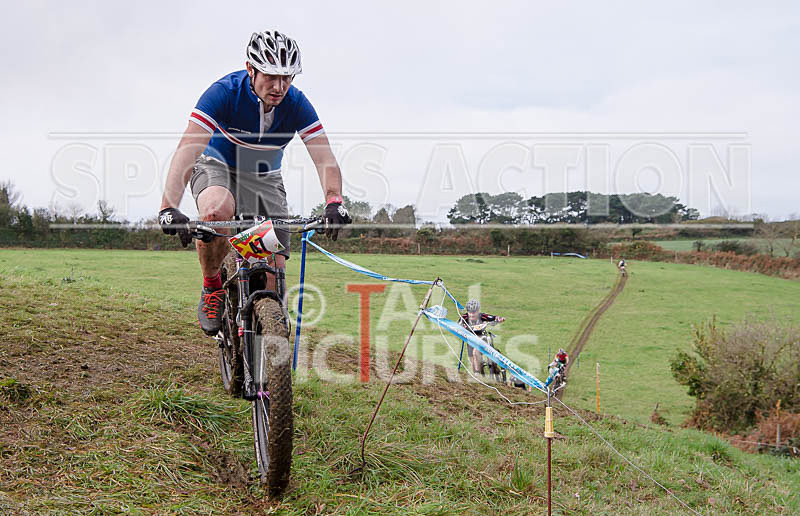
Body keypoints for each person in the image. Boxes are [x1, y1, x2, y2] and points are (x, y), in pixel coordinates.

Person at [158, 30, 351, 335]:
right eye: (271, 76)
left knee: (273, 271)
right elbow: (188, 149)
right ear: (250, 68)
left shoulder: (297, 103)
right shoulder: (223, 93)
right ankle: (213, 287)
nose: (279, 87)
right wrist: (169, 206)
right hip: (216, 164)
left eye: (287, 77)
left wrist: (334, 200)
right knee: (215, 211)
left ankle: (267, 357)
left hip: (263, 176)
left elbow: (324, 157)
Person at [460, 299, 506, 375]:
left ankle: (481, 372)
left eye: (474, 312)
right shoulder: (464, 317)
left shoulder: (483, 316)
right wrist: (461, 328)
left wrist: (500, 319)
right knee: (472, 363)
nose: (472, 315)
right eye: (470, 312)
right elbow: (457, 325)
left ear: (478, 311)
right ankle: (478, 376)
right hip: (470, 340)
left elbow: (494, 317)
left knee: (476, 351)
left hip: (482, 338)